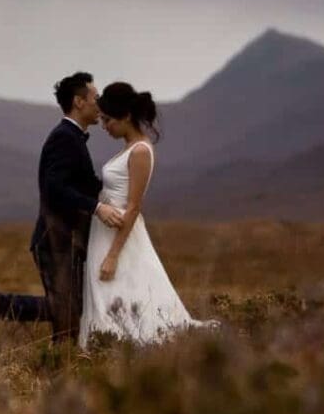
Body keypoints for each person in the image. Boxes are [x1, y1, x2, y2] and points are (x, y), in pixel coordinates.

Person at [0, 72, 125, 344]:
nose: (100, 104)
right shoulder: (65, 137)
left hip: (67, 240)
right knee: (68, 313)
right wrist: (97, 207)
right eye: (95, 98)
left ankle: (58, 370)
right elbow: (55, 187)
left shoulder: (73, 137)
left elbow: (80, 184)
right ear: (79, 102)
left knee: (70, 314)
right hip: (55, 240)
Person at [78, 81, 219, 349]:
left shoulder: (140, 151)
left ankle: (120, 348)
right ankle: (105, 348)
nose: (104, 126)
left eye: (108, 120)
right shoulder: (128, 147)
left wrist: (113, 254)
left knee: (117, 292)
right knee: (105, 295)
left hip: (118, 236)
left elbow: (133, 206)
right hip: (104, 231)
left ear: (126, 116)